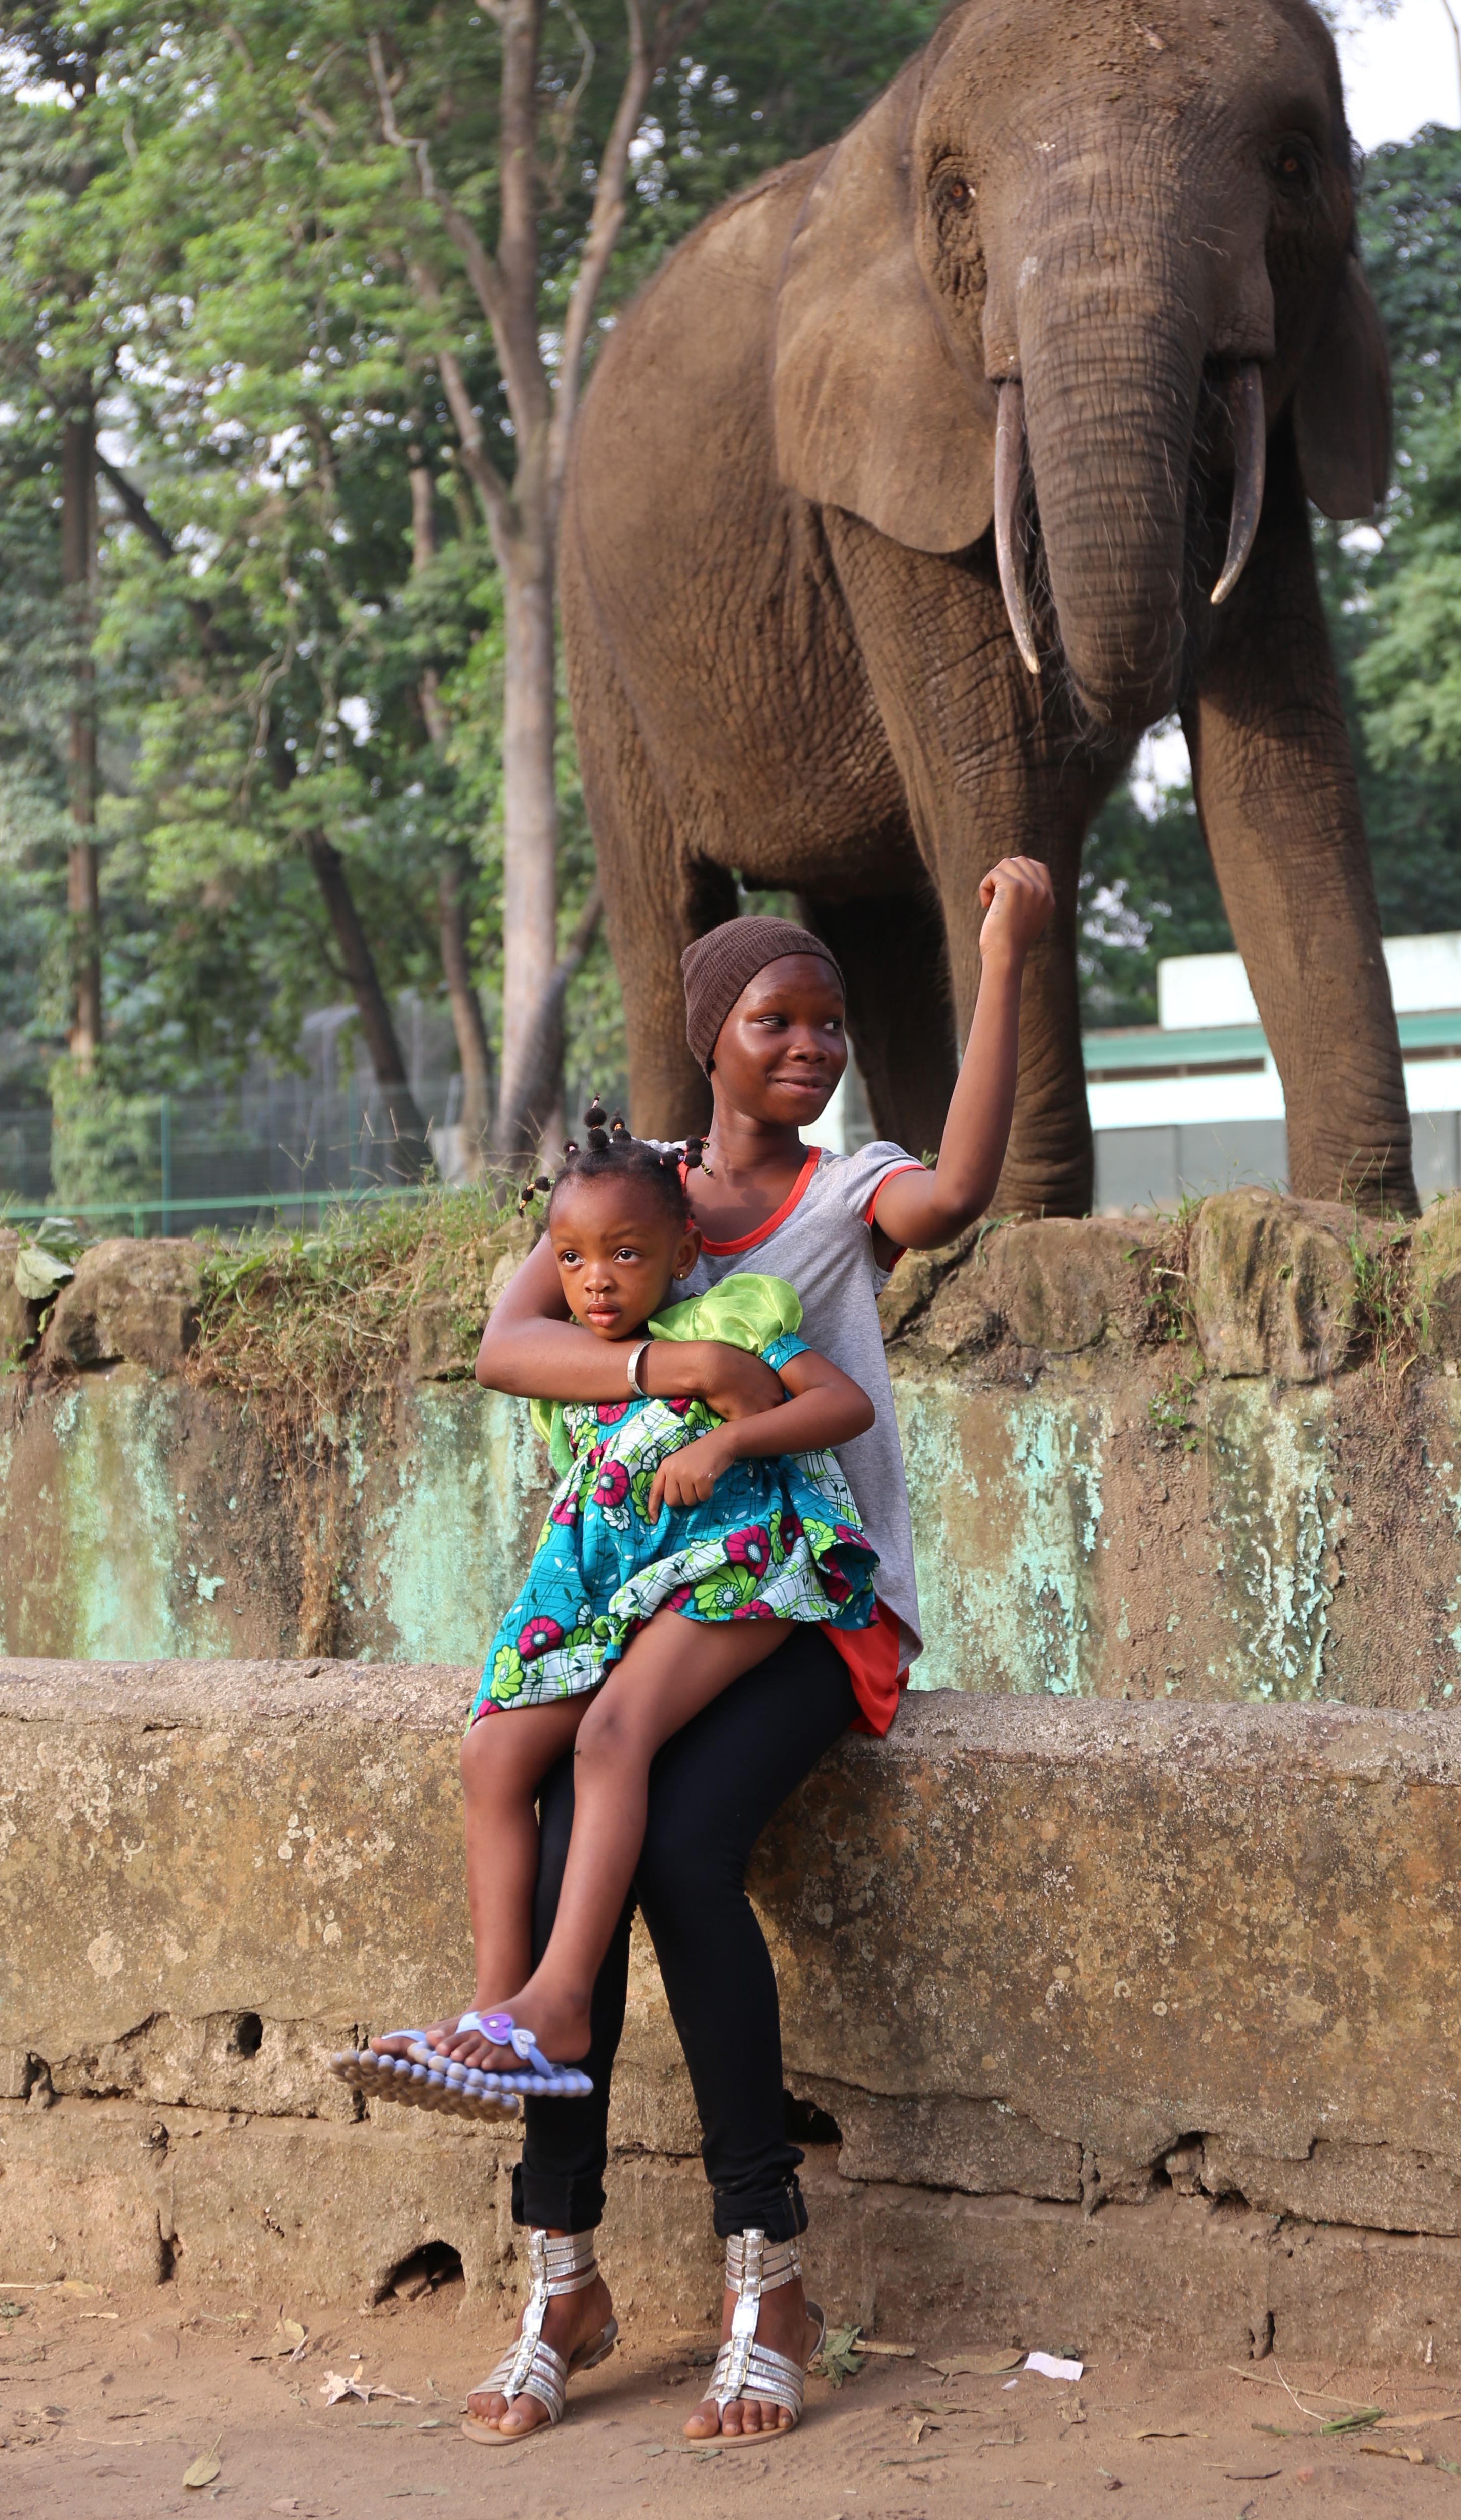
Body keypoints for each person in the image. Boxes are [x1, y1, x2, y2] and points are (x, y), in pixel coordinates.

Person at [463, 855, 1054, 2451]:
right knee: (564, 1810)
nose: (812, 1047)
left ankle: (765, 2269)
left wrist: (1007, 964)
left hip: (806, 1596)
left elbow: (966, 1190)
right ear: (709, 1033)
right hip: (652, 1586)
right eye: (777, 1021)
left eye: (832, 1023)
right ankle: (562, 2273)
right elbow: (508, 1346)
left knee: (669, 1848)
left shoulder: (853, 1188)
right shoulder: (629, 1193)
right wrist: (674, 1358)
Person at [331, 1103, 881, 2159]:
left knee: (610, 1739)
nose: (594, 1281)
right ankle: (500, 2013)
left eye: (626, 1256)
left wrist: (731, 1445)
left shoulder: (738, 1315)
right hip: (612, 1583)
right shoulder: (568, 1354)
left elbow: (841, 1406)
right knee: (495, 1750)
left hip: (741, 1560)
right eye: (573, 1258)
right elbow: (509, 1355)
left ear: (683, 1252)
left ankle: (564, 1998)